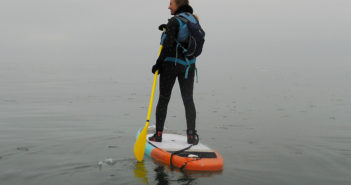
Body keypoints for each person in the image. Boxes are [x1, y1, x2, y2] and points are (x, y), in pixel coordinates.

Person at [148, 0, 200, 145]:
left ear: (178, 4)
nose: (169, 6)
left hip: (170, 65)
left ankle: (158, 135)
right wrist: (167, 29)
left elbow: (168, 45)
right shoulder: (193, 20)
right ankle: (191, 136)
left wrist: (157, 64)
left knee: (164, 98)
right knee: (188, 99)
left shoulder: (175, 21)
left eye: (171, 3)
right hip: (188, 67)